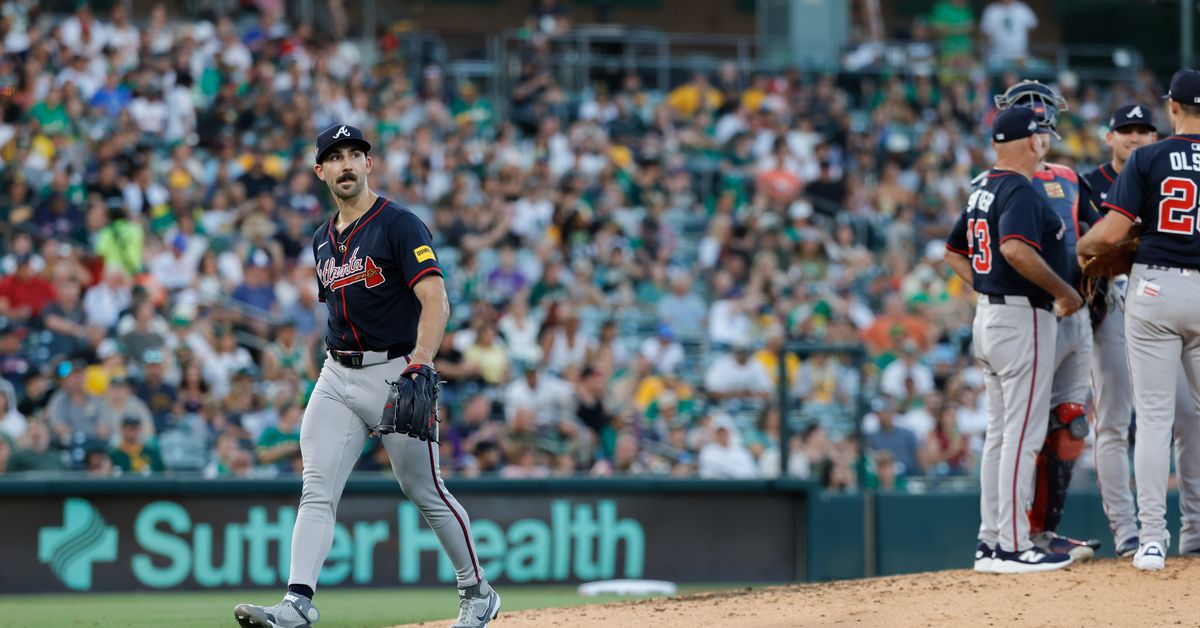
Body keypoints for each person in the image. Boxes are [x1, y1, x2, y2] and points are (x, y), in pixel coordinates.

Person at [234, 125, 500, 628]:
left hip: (397, 371)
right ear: (321, 171)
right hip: (337, 374)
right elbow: (337, 310)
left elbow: (435, 298)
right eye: (336, 157)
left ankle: (477, 591)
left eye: (356, 153)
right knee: (316, 489)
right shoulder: (320, 240)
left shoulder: (399, 223)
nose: (347, 163)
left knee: (424, 491)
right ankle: (297, 602)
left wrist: (421, 361)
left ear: (369, 164)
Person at [944, 106, 1081, 574]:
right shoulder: (1019, 187)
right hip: (1022, 318)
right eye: (1042, 134)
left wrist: (985, 287)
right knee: (1022, 436)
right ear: (1031, 142)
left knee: (1001, 436)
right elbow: (1015, 248)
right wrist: (1063, 291)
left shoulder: (983, 185)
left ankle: (991, 540)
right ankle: (1014, 546)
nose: (1046, 141)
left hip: (992, 317)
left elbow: (952, 251)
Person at [1078, 69, 1200, 572]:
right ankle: (1194, 534)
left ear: (1172, 108)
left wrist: (1085, 251)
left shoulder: (1149, 157)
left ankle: (1151, 539)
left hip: (1155, 286)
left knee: (1151, 419)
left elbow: (1111, 233)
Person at [995, 80, 1100, 560]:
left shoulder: (1069, 177)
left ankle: (1045, 530)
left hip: (1075, 310)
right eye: (1029, 111)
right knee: (1027, 427)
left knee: (1071, 423)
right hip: (1034, 312)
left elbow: (1093, 234)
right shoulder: (1002, 180)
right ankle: (1014, 535)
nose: (1039, 118)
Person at [1078, 103, 1159, 558]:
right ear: (1109, 137)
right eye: (1126, 130)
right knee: (1112, 421)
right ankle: (1127, 532)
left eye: (1144, 130)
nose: (1135, 137)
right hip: (1110, 302)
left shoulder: (1167, 174)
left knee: (1184, 416)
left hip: (1163, 298)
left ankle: (1190, 526)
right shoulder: (1087, 184)